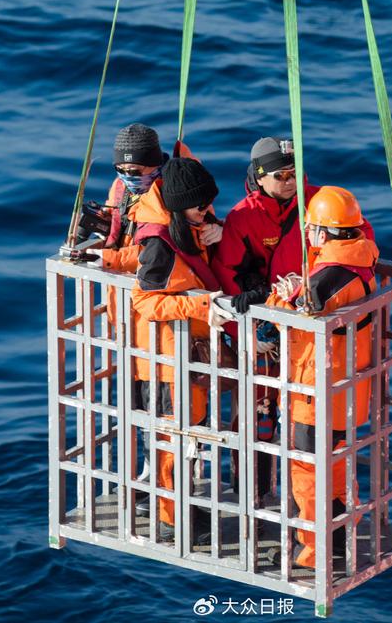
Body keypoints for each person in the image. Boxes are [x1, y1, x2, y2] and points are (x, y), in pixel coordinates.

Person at [266, 185, 379, 569]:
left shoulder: (328, 277)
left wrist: (285, 294)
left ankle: (315, 553)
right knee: (336, 468)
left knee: (307, 475)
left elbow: (291, 314)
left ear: (323, 233)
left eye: (312, 228)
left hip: (315, 395)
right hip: (345, 392)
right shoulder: (360, 260)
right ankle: (343, 536)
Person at [130, 157, 228, 545]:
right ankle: (172, 517)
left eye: (209, 204)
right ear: (177, 205)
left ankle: (177, 504)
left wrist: (216, 230)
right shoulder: (159, 245)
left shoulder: (188, 227)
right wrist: (202, 306)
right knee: (171, 442)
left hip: (186, 357)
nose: (206, 211)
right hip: (165, 364)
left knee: (183, 438)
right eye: (199, 205)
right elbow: (145, 301)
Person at [212, 136, 321, 312]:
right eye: (281, 176)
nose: (291, 181)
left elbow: (357, 240)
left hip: (317, 305)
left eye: (295, 173)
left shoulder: (321, 201)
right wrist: (242, 322)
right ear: (260, 178)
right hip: (269, 311)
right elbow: (227, 271)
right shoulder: (242, 218)